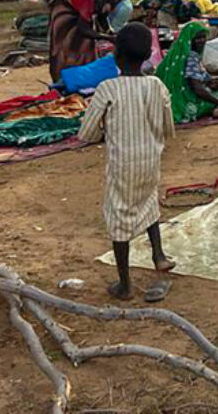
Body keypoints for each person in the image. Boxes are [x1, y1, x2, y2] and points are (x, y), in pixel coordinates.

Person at [78, 23, 176, 300]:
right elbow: (169, 127)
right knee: (148, 201)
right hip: (150, 160)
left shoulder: (107, 88)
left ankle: (125, 284)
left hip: (123, 164)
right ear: (147, 56)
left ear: (116, 55)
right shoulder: (157, 85)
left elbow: (86, 133)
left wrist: (102, 129)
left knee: (120, 216)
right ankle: (158, 255)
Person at [44, 0, 127, 80]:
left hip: (79, 15)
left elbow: (102, 16)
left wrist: (111, 33)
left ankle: (79, 78)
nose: (115, 1)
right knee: (65, 45)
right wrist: (108, 38)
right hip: (65, 13)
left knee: (86, 47)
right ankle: (62, 80)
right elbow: (84, 29)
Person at [155, 23, 218, 123]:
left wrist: (210, 80)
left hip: (167, 98)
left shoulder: (177, 53)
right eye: (198, 38)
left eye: (203, 37)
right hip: (184, 101)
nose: (202, 41)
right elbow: (198, 89)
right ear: (189, 39)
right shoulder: (191, 57)